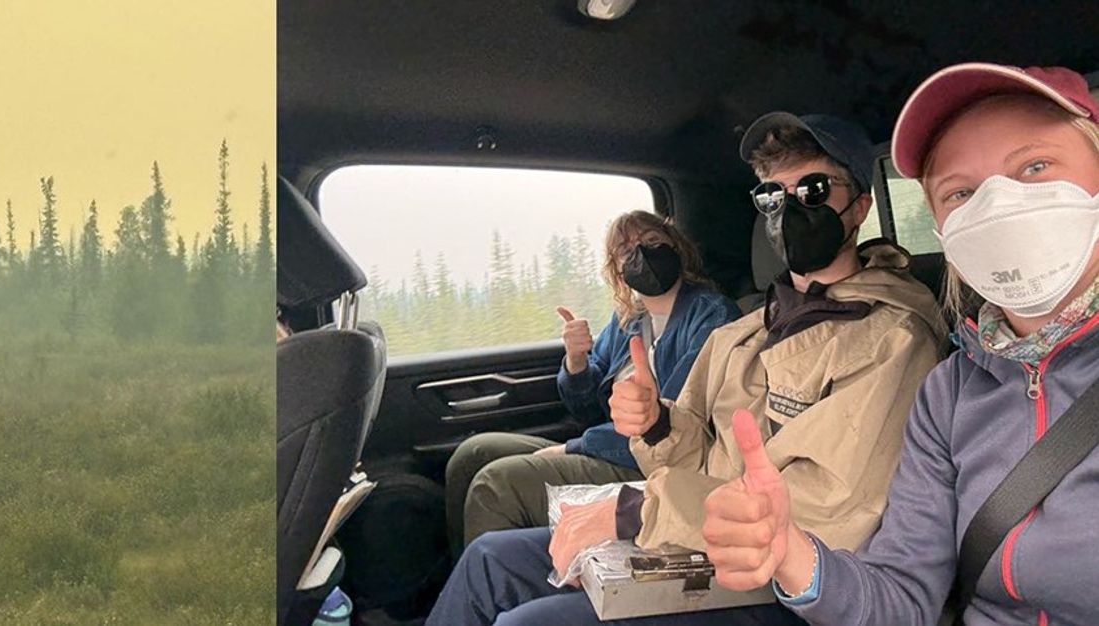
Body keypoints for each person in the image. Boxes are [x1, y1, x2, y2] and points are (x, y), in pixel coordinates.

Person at [425, 111, 946, 626]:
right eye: (771, 196)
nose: (789, 211)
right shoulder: (743, 334)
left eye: (812, 190)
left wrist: (633, 510)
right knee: (489, 560)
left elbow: (827, 513)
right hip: (700, 537)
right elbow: (697, 456)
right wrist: (656, 422)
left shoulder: (893, 339)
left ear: (858, 207)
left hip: (782, 577)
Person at [703, 63, 1099, 626]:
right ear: (941, 224)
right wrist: (795, 555)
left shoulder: (897, 336)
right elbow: (903, 597)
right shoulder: (950, 394)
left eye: (1034, 166)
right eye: (961, 191)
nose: (996, 204)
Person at [444, 211, 738, 553]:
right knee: (472, 454)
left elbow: (672, 424)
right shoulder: (629, 319)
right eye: (626, 249)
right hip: (608, 448)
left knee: (496, 484)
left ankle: (501, 593)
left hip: (654, 465)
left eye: (652, 241)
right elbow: (585, 408)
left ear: (676, 246)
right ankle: (461, 578)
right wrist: (577, 360)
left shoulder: (712, 315)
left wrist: (576, 446)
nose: (640, 253)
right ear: (617, 268)